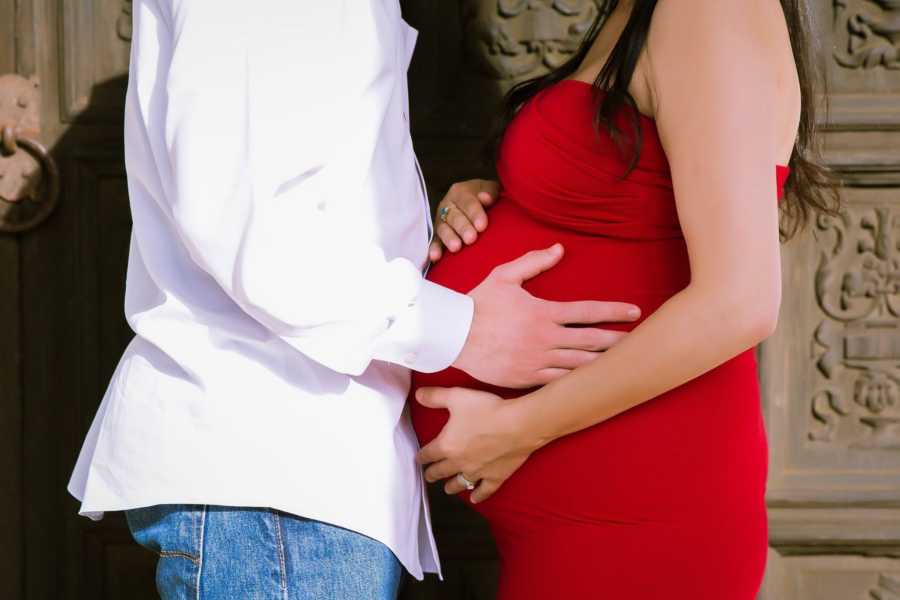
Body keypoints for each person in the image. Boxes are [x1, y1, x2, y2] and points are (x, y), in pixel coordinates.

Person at [66, 2, 643, 598]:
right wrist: (463, 331)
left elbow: (294, 196)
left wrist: (446, 226)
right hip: (277, 483)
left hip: (302, 487)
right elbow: (251, 228)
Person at [410, 0, 839, 598]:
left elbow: (741, 300)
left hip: (640, 512)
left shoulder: (711, 9)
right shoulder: (648, 9)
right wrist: (497, 201)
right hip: (586, 513)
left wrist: (516, 426)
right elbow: (628, 194)